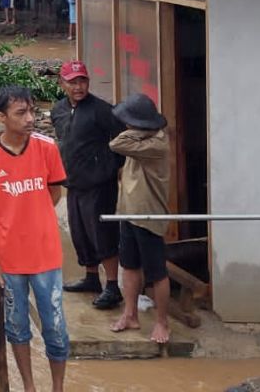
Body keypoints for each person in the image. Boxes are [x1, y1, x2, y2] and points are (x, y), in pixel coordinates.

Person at [0, 86, 69, 392]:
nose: (30, 119)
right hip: (8, 259)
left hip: (46, 255)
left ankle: (58, 387)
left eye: (32, 111)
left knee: (55, 327)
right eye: (21, 113)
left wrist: (31, 215)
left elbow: (55, 191)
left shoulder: (46, 147)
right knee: (16, 326)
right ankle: (28, 386)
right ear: (2, 117)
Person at [51, 60, 124, 309]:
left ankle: (113, 286)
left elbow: (123, 138)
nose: (78, 86)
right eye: (72, 82)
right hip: (73, 182)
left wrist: (109, 166)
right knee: (80, 232)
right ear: (62, 84)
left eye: (82, 81)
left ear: (88, 82)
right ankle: (92, 278)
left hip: (99, 184)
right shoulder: (58, 110)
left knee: (102, 233)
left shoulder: (102, 110)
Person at [108, 93, 173, 345]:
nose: (125, 126)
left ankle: (161, 322)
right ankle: (130, 314)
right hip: (129, 212)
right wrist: (137, 128)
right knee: (130, 266)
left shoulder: (156, 144)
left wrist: (136, 129)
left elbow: (116, 144)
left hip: (148, 215)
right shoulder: (143, 137)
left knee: (157, 272)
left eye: (129, 121)